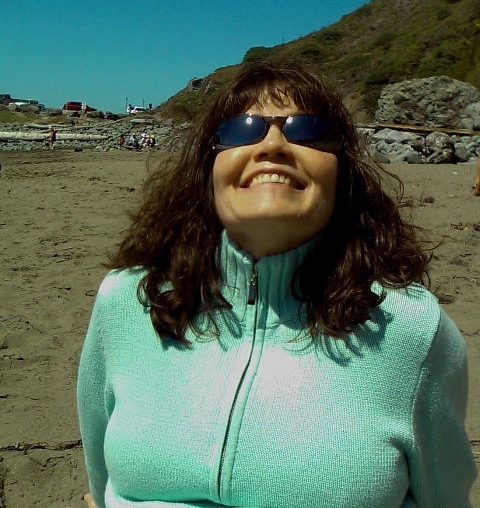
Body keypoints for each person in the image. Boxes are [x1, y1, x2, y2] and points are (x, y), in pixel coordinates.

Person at [77, 59, 477, 508]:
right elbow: (100, 480)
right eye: (242, 128)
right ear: (209, 166)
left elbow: (446, 497)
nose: (272, 144)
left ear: (342, 171)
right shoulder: (126, 300)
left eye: (306, 129)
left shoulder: (410, 329)